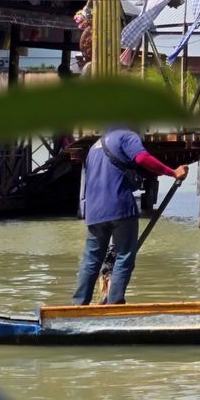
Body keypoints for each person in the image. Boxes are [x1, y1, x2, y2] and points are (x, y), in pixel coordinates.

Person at [72, 128, 188, 305]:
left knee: (91, 260)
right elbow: (142, 158)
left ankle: (77, 306)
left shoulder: (95, 145)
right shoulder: (126, 135)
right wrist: (172, 172)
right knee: (124, 257)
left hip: (94, 212)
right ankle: (114, 305)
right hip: (120, 207)